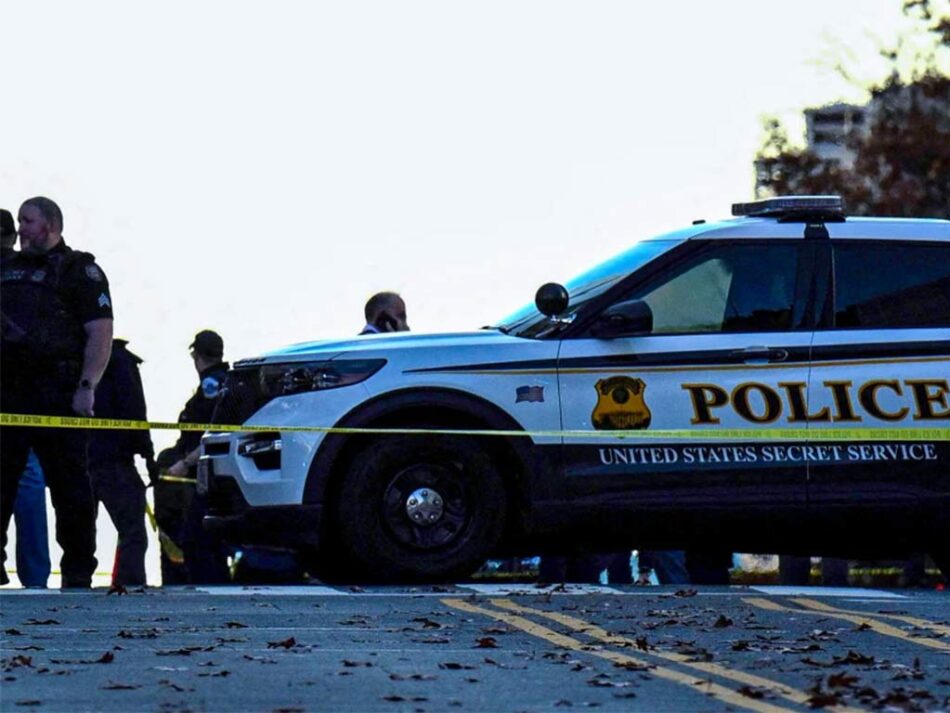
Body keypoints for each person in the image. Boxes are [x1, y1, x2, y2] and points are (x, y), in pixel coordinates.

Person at [0, 197, 113, 588]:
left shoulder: (79, 270)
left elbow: (100, 333)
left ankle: (78, 573)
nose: (21, 228)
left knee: (70, 488)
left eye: (27, 221)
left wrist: (87, 386)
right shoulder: (7, 269)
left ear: (49, 225)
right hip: (10, 394)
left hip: (59, 393)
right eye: (18, 221)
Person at [2, 208, 52, 589]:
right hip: (27, 390)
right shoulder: (33, 272)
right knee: (28, 479)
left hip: (16, 390)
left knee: (25, 477)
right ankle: (34, 577)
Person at [157, 330, 230, 584]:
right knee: (210, 536)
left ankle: (206, 589)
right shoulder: (224, 381)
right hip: (213, 471)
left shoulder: (211, 385)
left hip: (203, 471)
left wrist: (184, 463)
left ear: (196, 356)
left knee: (195, 537)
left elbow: (214, 433)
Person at [88, 339, 156, 587]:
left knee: (80, 534)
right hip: (114, 459)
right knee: (133, 530)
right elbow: (136, 409)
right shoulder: (121, 361)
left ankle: (76, 584)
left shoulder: (75, 357)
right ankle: (129, 585)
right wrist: (148, 455)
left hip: (77, 458)